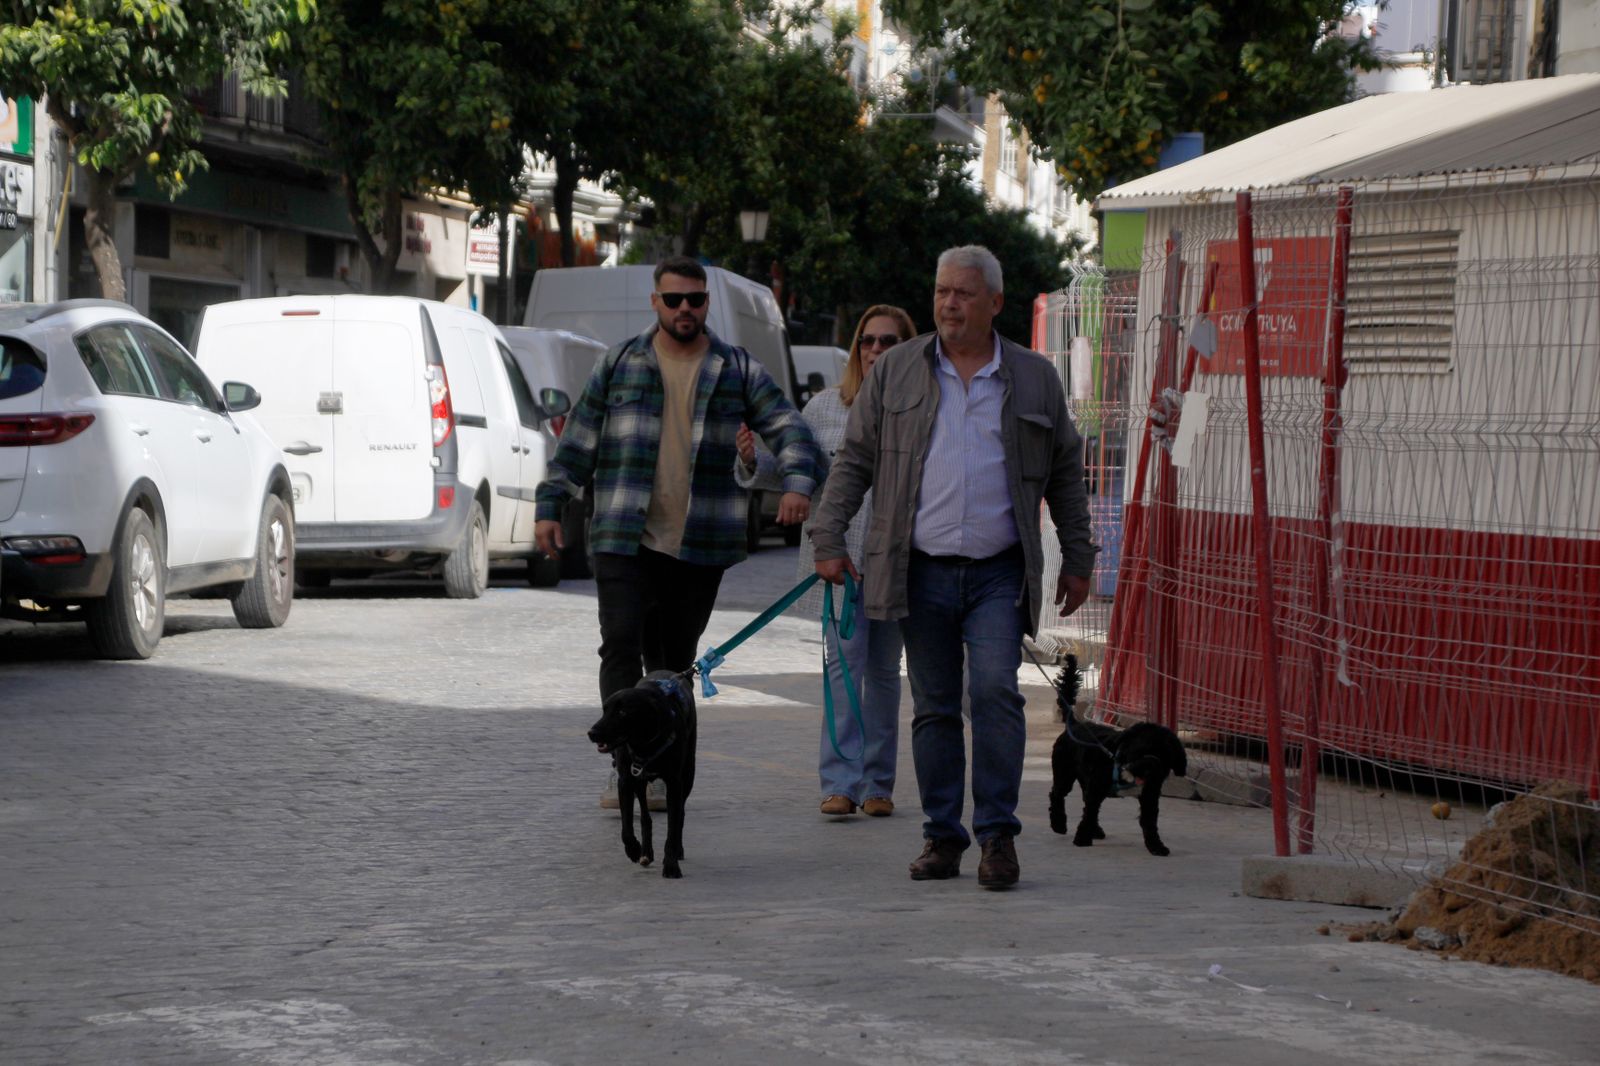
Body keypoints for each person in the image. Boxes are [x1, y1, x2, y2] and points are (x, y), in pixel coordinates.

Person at [810, 245, 1097, 889]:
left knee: (996, 691)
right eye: (942, 292)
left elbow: (1066, 474)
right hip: (921, 569)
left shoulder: (1032, 377)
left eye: (964, 294)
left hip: (999, 570)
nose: (949, 304)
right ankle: (944, 836)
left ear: (995, 303)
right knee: (935, 707)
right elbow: (854, 461)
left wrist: (1078, 558)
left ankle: (997, 836)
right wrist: (828, 536)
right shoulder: (898, 372)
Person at [535, 256, 820, 809]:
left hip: (700, 543)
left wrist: (796, 482)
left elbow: (792, 431)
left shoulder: (735, 368)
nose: (685, 308)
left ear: (706, 303)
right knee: (619, 645)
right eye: (673, 299)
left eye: (695, 299)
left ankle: (665, 770)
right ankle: (625, 770)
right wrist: (550, 506)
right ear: (655, 303)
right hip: (624, 535)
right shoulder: (619, 363)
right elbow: (578, 445)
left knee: (671, 663)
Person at [735, 305, 917, 819]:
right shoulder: (825, 408)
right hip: (838, 562)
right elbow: (798, 468)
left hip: (897, 562)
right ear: (857, 348)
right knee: (842, 669)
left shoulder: (922, 407)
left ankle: (878, 784)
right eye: (869, 341)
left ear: (907, 348)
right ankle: (839, 781)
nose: (877, 351)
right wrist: (752, 460)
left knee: (884, 673)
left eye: (889, 342)